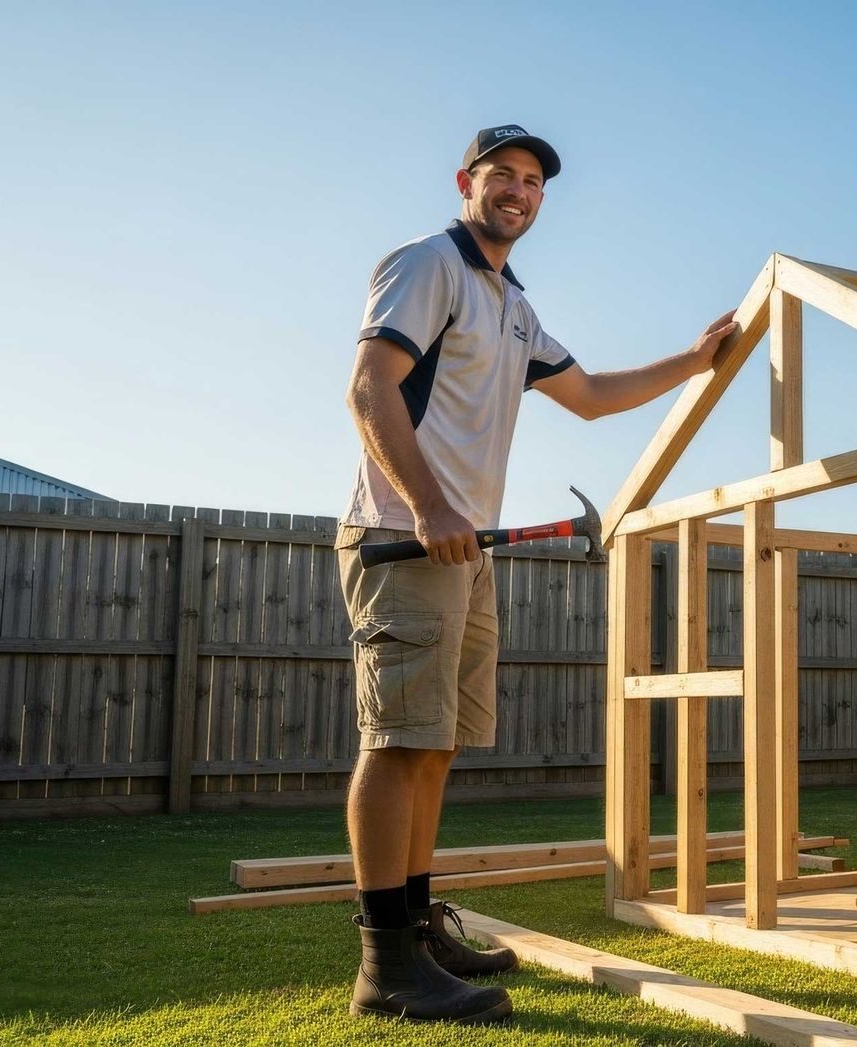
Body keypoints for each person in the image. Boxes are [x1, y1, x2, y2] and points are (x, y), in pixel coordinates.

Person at [335, 124, 737, 1023]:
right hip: (406, 536)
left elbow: (590, 396)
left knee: (435, 744)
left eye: (532, 181)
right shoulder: (428, 264)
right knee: (397, 742)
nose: (518, 190)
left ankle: (419, 923)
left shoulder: (512, 303)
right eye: (502, 175)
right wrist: (434, 507)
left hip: (462, 552)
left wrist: (692, 359)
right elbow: (369, 386)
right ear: (465, 182)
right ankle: (384, 966)